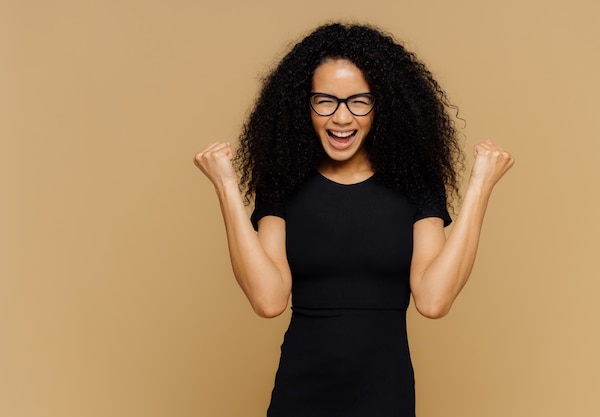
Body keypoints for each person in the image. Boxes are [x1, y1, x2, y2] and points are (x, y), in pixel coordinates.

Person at [194, 22, 514, 417]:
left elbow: (433, 300)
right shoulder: (282, 183)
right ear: (303, 105)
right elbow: (268, 299)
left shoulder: (415, 185)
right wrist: (226, 187)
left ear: (382, 105)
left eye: (359, 101)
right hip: (300, 396)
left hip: (386, 397)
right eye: (325, 101)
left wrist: (480, 187)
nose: (341, 117)